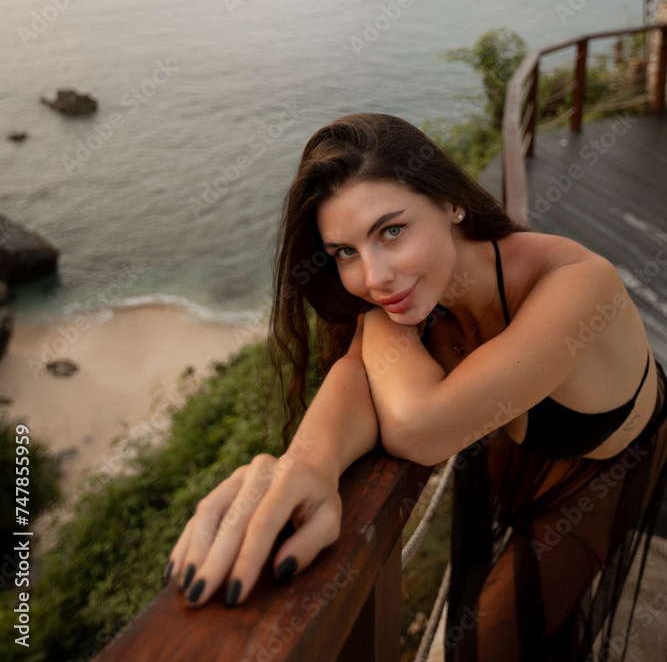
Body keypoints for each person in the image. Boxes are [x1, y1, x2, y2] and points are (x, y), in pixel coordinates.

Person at [165, 112, 667, 660]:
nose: (375, 276)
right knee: (538, 623)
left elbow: (419, 426)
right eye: (345, 253)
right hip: (512, 455)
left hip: (607, 473)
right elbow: (357, 374)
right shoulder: (417, 295)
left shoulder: (578, 284)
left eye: (392, 230)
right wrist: (306, 465)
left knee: (484, 644)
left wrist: (375, 321)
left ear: (453, 204)